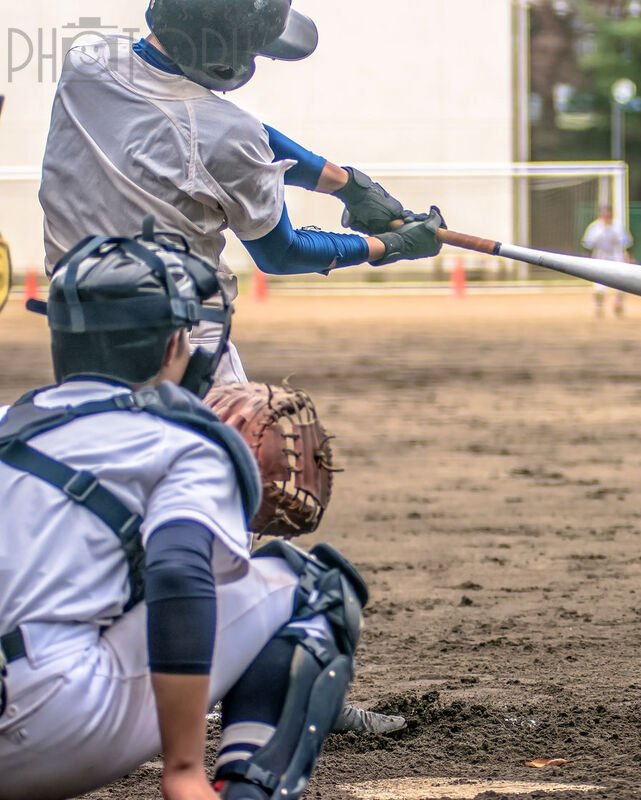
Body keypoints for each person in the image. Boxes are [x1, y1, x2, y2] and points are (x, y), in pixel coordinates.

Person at [38, 0, 415, 733]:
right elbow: (282, 250)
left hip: (79, 329)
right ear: (224, 57)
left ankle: (108, 668)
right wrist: (384, 248)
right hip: (184, 343)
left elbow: (232, 133)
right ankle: (271, 687)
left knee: (119, 501)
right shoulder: (224, 131)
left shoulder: (88, 64)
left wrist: (342, 182)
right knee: (230, 507)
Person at [0, 223, 367, 800]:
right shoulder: (181, 443)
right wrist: (182, 768)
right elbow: (179, 572)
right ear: (176, 346)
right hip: (47, 724)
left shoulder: (6, 420)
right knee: (313, 585)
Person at [581, 204, 634, 318]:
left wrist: (629, 257)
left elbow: (627, 243)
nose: (605, 216)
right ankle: (599, 306)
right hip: (600, 258)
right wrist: (587, 259)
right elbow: (587, 245)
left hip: (617, 257)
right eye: (603, 214)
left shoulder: (618, 226)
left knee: (621, 283)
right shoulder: (595, 227)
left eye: (608, 214)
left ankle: (618, 303)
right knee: (599, 285)